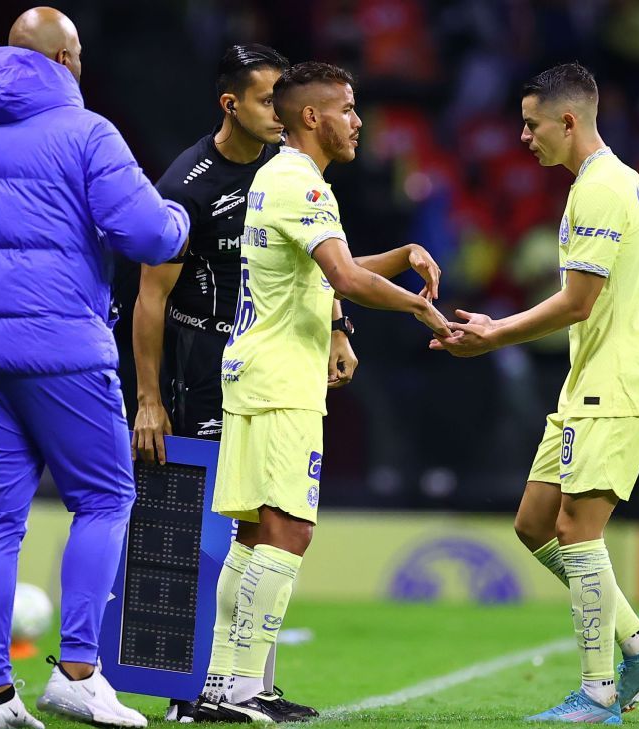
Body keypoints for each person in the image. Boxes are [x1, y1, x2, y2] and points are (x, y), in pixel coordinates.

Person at [0, 8, 190, 728]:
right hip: (61, 349)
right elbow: (150, 234)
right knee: (104, 498)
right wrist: (181, 217)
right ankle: (79, 673)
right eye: (78, 54)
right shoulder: (87, 132)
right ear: (62, 60)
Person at [196, 61, 450, 723]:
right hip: (281, 378)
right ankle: (242, 687)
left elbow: (324, 271)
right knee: (289, 530)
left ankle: (223, 683)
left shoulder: (278, 177)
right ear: (312, 116)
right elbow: (343, 276)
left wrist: (400, 255)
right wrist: (421, 309)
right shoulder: (302, 182)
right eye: (348, 108)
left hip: (255, 371)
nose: (358, 122)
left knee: (253, 534)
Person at [432, 63, 639, 724]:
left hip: (615, 383)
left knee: (576, 530)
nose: (523, 137)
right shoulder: (602, 183)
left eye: (531, 124)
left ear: (568, 122)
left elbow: (577, 301)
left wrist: (495, 333)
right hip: (586, 382)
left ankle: (598, 694)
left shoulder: (601, 189)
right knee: (536, 523)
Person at [132, 44, 340, 723]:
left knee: (262, 524)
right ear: (231, 103)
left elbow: (314, 261)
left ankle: (250, 684)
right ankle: (186, 692)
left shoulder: (288, 170)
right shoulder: (187, 185)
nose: (281, 111)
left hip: (268, 359)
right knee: (205, 532)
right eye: (266, 99)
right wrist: (150, 399)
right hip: (204, 368)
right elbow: (150, 298)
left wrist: (340, 327)